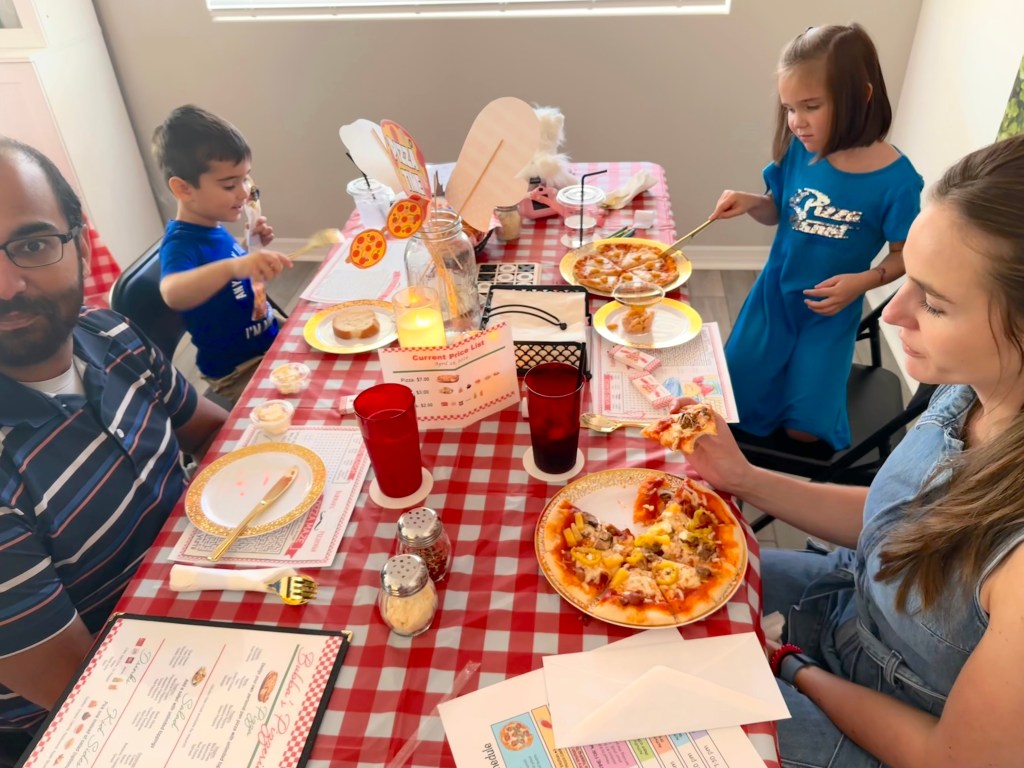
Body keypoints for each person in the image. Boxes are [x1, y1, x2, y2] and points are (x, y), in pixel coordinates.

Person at [677, 135, 1024, 767]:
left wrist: (791, 666)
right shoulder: (974, 389)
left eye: (934, 303)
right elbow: (897, 518)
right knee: (646, 612)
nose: (893, 314)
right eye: (909, 281)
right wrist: (744, 477)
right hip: (845, 605)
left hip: (893, 729)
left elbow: (949, 757)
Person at [0, 138, 227, 763]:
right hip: (107, 713)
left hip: (202, 587)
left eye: (33, 244)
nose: (7, 286)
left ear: (80, 244)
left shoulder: (112, 335)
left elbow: (214, 435)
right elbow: (94, 698)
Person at [710, 24, 924, 450]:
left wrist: (862, 282)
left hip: (830, 311)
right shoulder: (799, 152)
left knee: (804, 432)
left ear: (861, 96)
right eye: (789, 108)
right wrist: (752, 202)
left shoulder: (898, 181)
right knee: (730, 407)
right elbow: (777, 211)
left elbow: (906, 255)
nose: (796, 122)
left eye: (810, 106)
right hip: (773, 299)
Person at [152, 104, 292, 404]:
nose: (244, 192)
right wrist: (234, 266)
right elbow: (172, 292)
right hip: (239, 370)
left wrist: (251, 248)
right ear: (184, 189)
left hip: (268, 336)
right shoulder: (181, 243)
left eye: (246, 178)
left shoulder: (213, 227)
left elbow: (230, 280)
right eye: (230, 184)